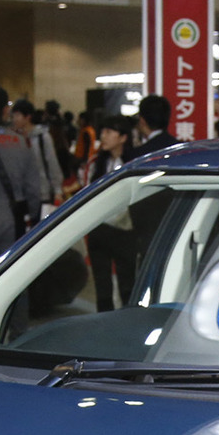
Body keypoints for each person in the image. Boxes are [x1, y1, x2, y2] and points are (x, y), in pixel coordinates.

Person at [0, 83, 44, 262]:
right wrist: (34, 216)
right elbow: (33, 187)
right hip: (13, 217)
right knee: (11, 273)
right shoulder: (21, 142)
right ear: (5, 110)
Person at [82, 114, 136, 311]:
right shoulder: (96, 163)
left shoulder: (135, 163)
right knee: (102, 284)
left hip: (126, 230)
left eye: (108, 132)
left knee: (127, 284)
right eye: (102, 131)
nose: (102, 136)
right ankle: (103, 321)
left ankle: (126, 322)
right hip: (99, 229)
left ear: (123, 137)